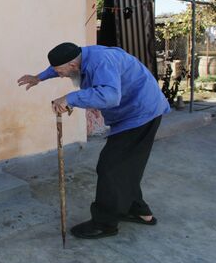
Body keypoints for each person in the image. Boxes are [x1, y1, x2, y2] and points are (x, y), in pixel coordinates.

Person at [17, 42, 170, 239]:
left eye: (60, 72)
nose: (59, 75)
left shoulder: (101, 63)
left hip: (141, 114)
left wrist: (70, 99)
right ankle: (138, 211)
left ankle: (105, 224)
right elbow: (58, 67)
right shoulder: (81, 56)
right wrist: (39, 77)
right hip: (135, 112)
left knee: (111, 168)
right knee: (126, 167)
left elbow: (110, 96)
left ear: (73, 65)